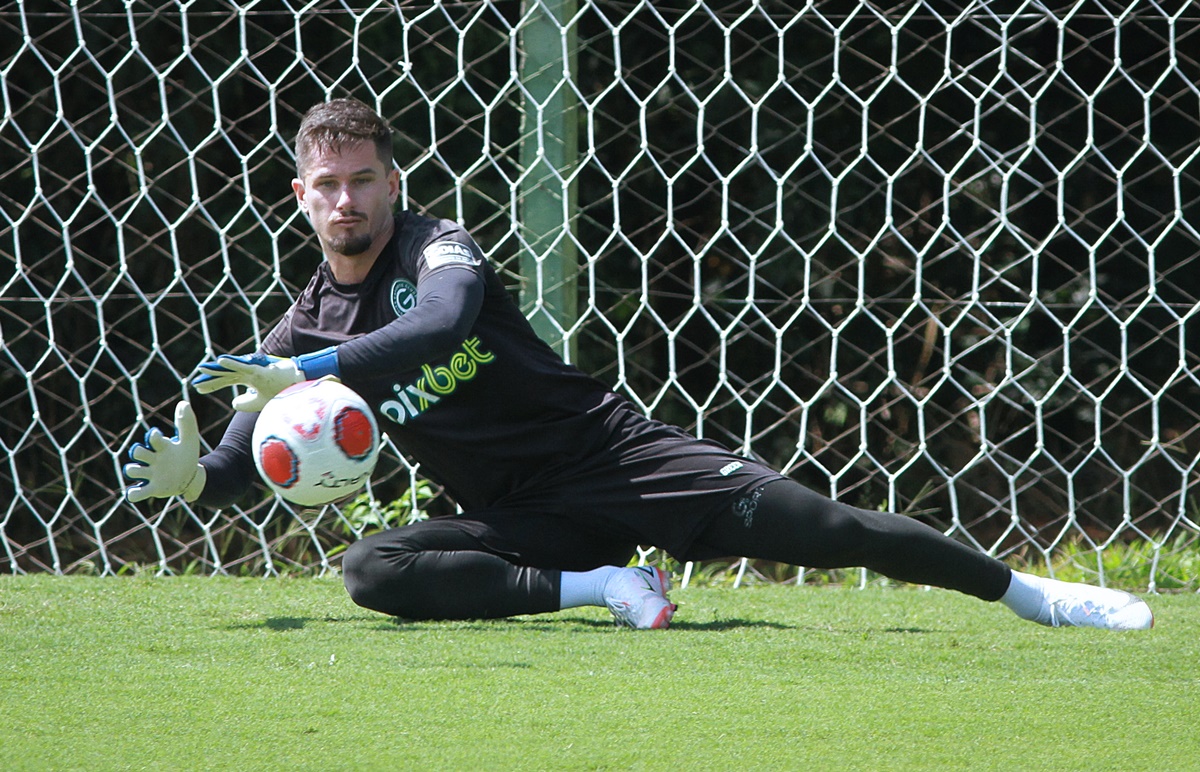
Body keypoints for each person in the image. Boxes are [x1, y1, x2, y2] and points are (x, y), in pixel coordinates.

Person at [124, 97, 1153, 631]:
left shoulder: (438, 247)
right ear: (299, 198)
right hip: (529, 519)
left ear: (392, 183)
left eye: (360, 181)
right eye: (324, 187)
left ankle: (1035, 597)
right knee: (370, 570)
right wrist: (191, 480)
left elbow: (443, 325)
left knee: (832, 529)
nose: (344, 202)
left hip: (615, 458)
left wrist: (311, 370)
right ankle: (606, 585)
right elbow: (238, 461)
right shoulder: (300, 336)